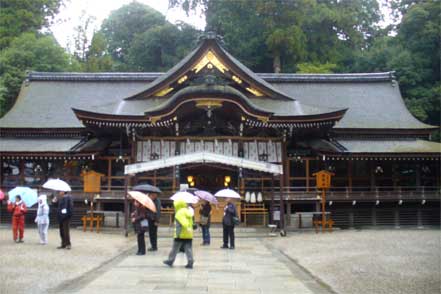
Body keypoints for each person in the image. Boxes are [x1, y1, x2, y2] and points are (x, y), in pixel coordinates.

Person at [163, 198, 194, 269]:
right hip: (189, 234)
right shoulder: (187, 211)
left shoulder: (179, 213)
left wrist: (184, 227)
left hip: (180, 234)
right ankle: (190, 261)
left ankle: (170, 260)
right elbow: (191, 222)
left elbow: (184, 222)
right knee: (188, 249)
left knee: (174, 248)